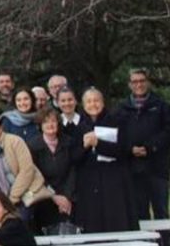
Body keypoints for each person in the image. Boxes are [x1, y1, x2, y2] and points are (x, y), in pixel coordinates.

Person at [72, 87, 138, 233]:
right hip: (89, 183)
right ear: (83, 105)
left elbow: (124, 150)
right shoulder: (79, 127)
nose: (93, 104)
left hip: (113, 181)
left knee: (115, 221)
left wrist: (99, 144)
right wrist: (85, 146)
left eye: (96, 100)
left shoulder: (117, 121)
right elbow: (74, 157)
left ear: (103, 102)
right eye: (88, 101)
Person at [0, 116, 50, 214]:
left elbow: (27, 171)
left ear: (0, 128)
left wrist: (12, 198)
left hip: (24, 194)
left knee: (20, 219)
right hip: (0, 199)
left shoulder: (15, 141)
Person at [120, 68, 170, 220]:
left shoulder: (161, 106)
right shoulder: (122, 109)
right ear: (129, 84)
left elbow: (167, 131)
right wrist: (130, 149)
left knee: (161, 211)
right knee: (139, 213)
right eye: (135, 81)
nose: (139, 84)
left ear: (147, 82)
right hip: (134, 168)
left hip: (157, 168)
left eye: (142, 81)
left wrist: (149, 147)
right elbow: (118, 135)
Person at [26, 109, 74, 231]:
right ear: (40, 125)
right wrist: (53, 196)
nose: (50, 125)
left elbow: (73, 170)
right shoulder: (32, 145)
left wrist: (66, 196)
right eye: (46, 122)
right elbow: (34, 174)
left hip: (68, 197)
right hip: (44, 197)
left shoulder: (68, 142)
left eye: (53, 121)